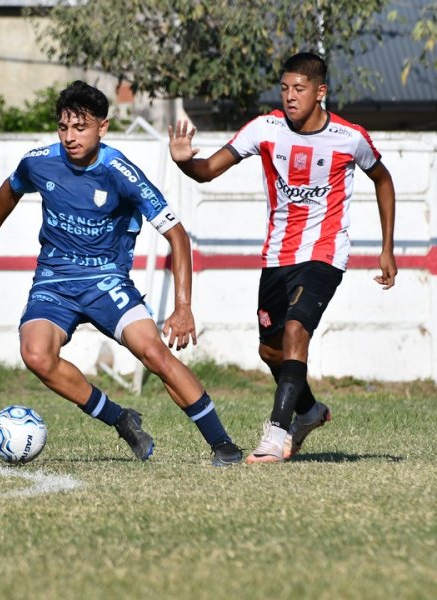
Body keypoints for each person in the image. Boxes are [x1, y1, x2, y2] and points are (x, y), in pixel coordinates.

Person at [0, 80, 243, 466]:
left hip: (107, 280)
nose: (70, 137)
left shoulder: (121, 172)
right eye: (63, 127)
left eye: (80, 127)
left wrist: (183, 306)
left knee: (155, 354)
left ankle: (223, 445)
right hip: (54, 280)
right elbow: (11, 189)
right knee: (36, 355)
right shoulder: (39, 161)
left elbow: (176, 235)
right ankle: (120, 419)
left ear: (102, 128)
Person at [168, 52, 397, 464]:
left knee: (296, 333)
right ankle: (309, 411)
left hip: (324, 254)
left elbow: (382, 179)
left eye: (300, 89)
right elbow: (207, 171)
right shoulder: (265, 128)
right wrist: (186, 161)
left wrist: (386, 248)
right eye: (285, 88)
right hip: (277, 257)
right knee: (271, 351)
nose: (290, 96)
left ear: (320, 92)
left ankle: (276, 435)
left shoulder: (349, 137)